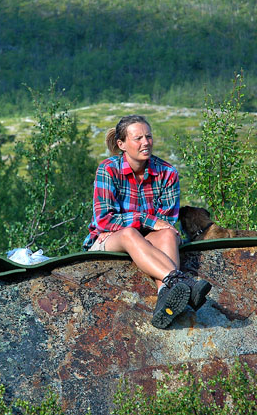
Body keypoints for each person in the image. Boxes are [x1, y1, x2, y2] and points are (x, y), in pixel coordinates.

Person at [83, 115, 211, 329]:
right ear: (121, 144)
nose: (145, 142)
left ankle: (165, 297)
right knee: (129, 234)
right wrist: (145, 220)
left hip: (148, 238)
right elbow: (104, 219)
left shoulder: (167, 172)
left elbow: (166, 222)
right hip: (111, 239)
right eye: (138, 138)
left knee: (169, 234)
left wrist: (140, 223)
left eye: (148, 137)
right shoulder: (107, 170)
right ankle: (181, 281)